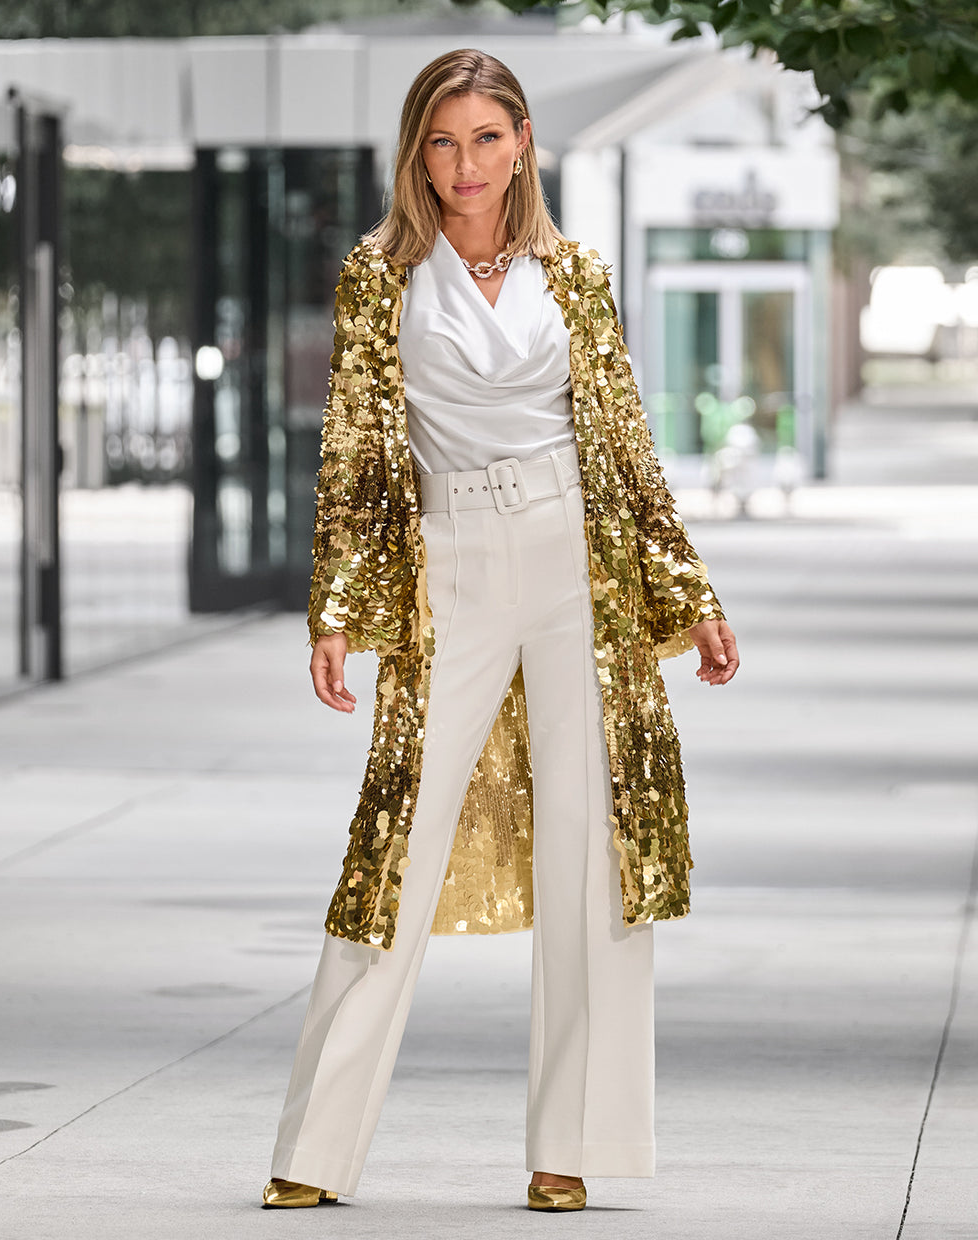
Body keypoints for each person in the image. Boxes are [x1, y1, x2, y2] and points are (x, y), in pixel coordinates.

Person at [262, 47, 739, 1215]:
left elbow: (624, 445)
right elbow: (356, 453)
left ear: (521, 141)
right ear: (414, 152)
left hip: (579, 560)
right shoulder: (379, 276)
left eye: (485, 138)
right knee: (395, 835)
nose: (464, 165)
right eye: (442, 140)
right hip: (449, 565)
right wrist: (338, 607)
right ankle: (315, 1147)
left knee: (593, 845)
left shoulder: (574, 273)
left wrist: (692, 591)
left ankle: (569, 1145)